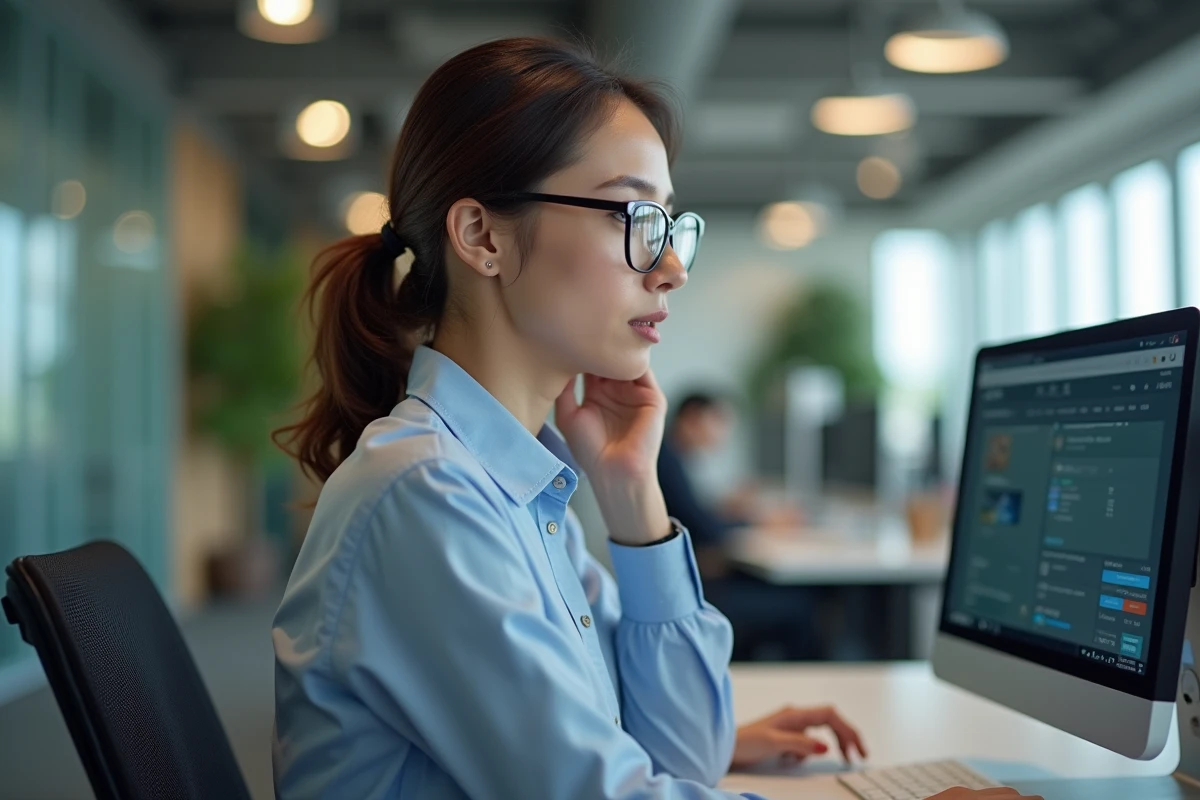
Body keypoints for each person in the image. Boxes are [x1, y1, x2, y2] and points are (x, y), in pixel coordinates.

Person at [270, 36, 1041, 800]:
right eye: (633, 216)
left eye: (670, 224)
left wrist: (634, 500)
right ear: (482, 236)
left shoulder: (518, 493)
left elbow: (684, 755)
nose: (670, 266)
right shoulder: (429, 494)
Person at [658, 392, 819, 661]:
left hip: (688, 582)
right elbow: (706, 529)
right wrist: (760, 520)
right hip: (695, 590)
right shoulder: (667, 459)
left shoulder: (673, 457)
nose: (724, 433)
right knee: (804, 605)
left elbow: (693, 514)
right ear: (692, 418)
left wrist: (733, 509)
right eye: (719, 422)